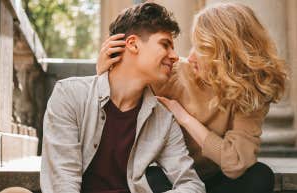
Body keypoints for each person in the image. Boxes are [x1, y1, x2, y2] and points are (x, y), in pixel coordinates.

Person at [97, 2, 287, 193]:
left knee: (259, 176)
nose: (191, 56)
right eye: (194, 45)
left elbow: (235, 163)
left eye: (203, 48)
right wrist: (105, 74)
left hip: (216, 177)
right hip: (171, 176)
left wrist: (186, 118)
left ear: (228, 54)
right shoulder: (171, 72)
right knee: (143, 179)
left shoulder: (250, 92)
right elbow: (116, 107)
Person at [40, 2, 205, 193]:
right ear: (133, 44)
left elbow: (192, 185)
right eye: (165, 44)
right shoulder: (70, 96)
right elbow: (62, 184)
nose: (175, 56)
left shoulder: (163, 120)